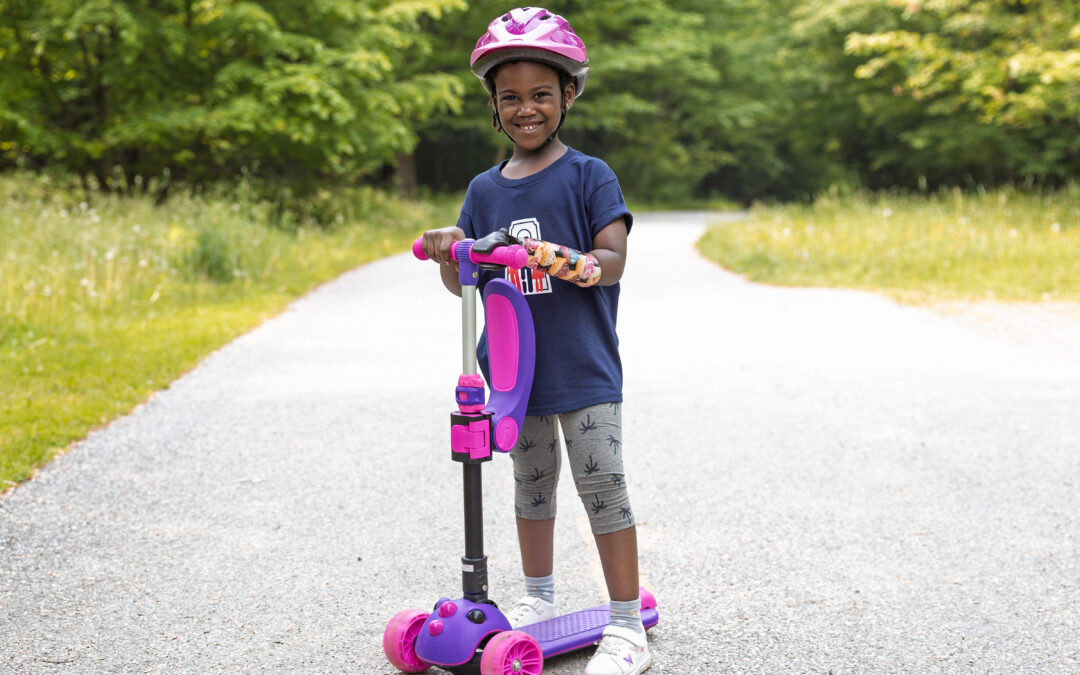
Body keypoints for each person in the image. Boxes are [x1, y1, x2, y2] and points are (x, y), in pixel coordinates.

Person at [420, 8, 650, 674]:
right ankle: (539, 598)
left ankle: (627, 623)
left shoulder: (589, 175)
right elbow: (462, 280)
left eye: (541, 94)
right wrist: (446, 250)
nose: (527, 108)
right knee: (532, 486)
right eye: (511, 96)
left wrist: (562, 258)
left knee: (603, 483)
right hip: (514, 374)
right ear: (494, 104)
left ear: (568, 95)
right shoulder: (483, 190)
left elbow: (613, 259)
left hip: (583, 368)